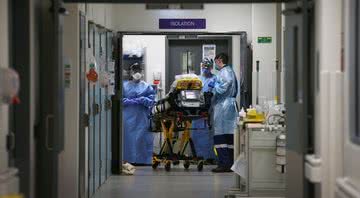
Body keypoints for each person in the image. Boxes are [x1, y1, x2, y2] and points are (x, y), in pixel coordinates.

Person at [208, 53, 238, 173]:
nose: (215, 64)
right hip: (228, 106)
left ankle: (224, 163)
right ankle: (229, 163)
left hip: (223, 106)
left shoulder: (225, 72)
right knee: (229, 134)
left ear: (220, 60)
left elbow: (223, 88)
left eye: (216, 62)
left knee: (220, 134)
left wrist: (214, 85)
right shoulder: (229, 71)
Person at [122, 63, 155, 165]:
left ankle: (142, 161)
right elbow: (119, 99)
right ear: (130, 72)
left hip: (142, 117)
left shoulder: (146, 86)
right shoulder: (124, 85)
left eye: (139, 71)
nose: (137, 73)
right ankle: (128, 159)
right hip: (128, 117)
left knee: (142, 139)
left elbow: (152, 101)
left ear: (142, 72)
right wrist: (128, 101)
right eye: (134, 71)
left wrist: (144, 100)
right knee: (129, 139)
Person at [191, 58, 217, 162]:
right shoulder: (197, 79)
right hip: (197, 112)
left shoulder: (215, 79)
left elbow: (217, 94)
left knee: (210, 135)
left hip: (210, 111)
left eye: (208, 67)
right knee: (197, 134)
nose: (205, 69)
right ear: (201, 67)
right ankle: (198, 157)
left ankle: (211, 157)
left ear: (211, 67)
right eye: (204, 67)